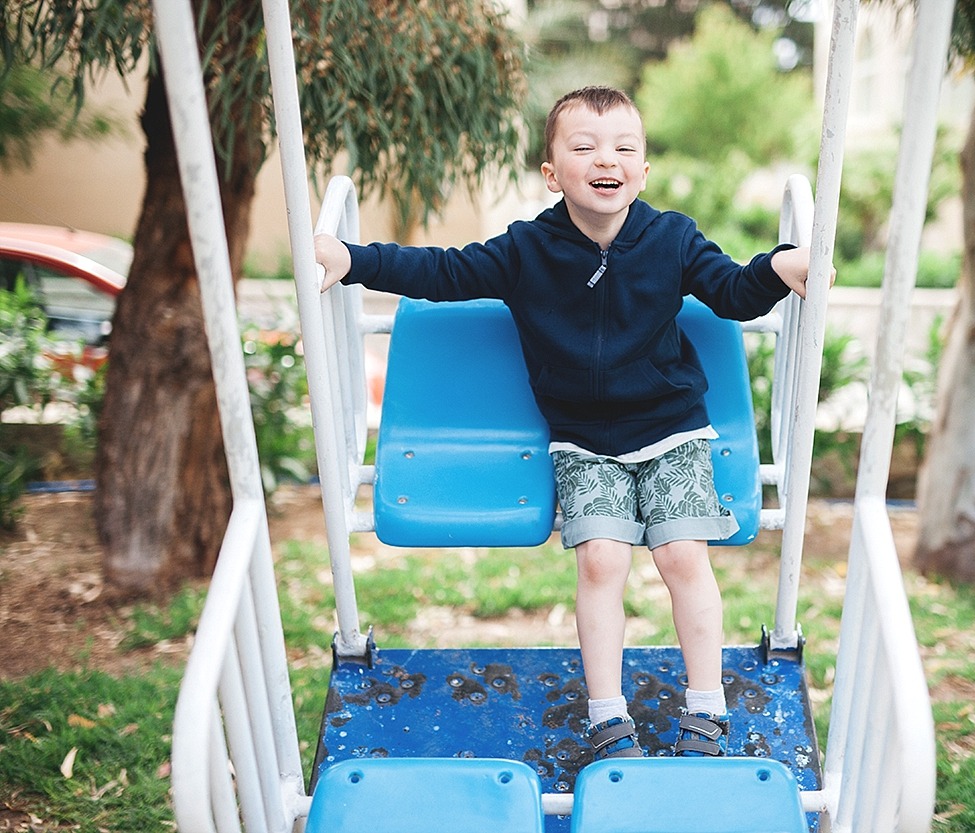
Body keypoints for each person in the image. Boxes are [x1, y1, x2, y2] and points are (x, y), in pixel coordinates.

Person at [315, 86, 812, 760]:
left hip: (673, 430)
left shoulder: (672, 238)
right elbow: (443, 270)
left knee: (681, 554)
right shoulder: (527, 250)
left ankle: (706, 709)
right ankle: (608, 715)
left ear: (642, 170)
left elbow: (731, 289)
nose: (605, 159)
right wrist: (353, 260)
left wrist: (781, 265)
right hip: (584, 440)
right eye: (584, 147)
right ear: (552, 173)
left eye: (623, 148)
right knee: (603, 559)